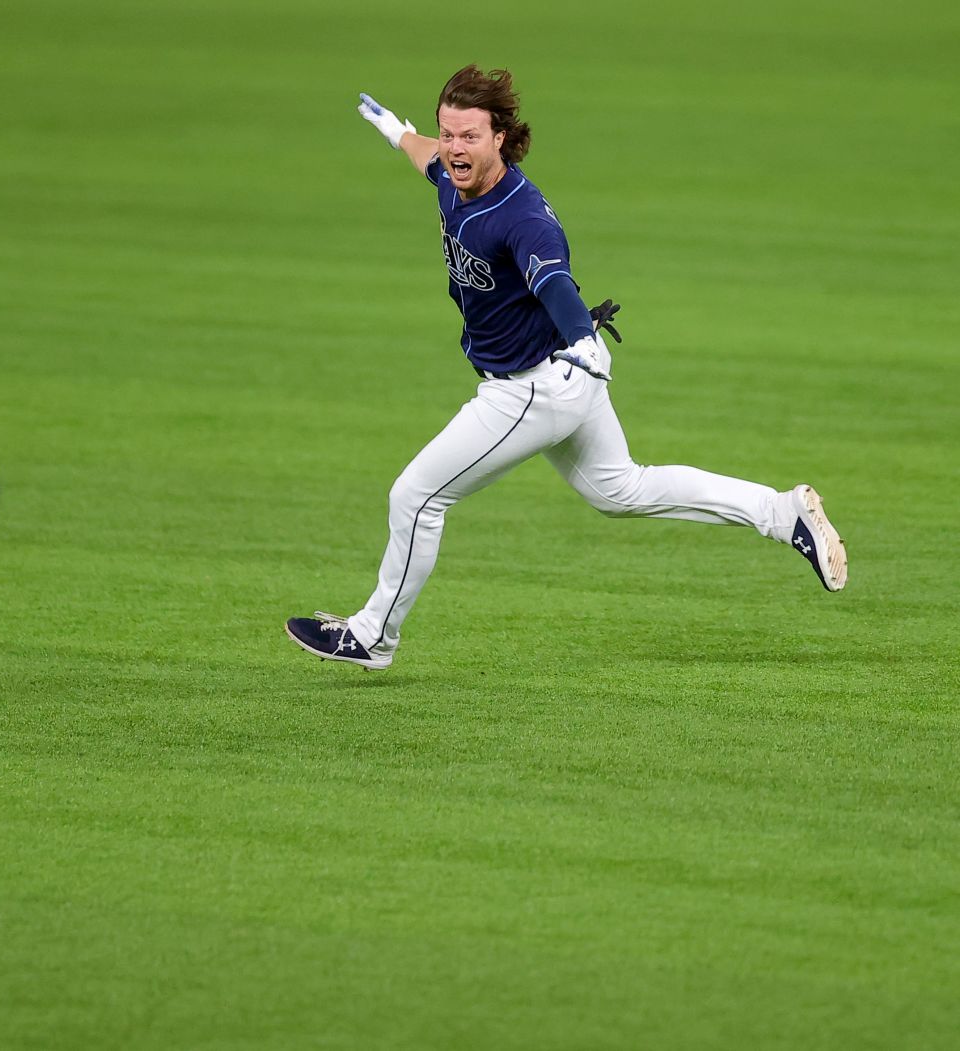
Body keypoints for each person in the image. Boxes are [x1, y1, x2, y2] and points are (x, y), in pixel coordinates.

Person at [285, 66, 847, 670]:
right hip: (564, 377)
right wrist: (396, 129)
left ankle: (373, 636)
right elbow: (423, 154)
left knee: (416, 498)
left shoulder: (521, 216)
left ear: (500, 138)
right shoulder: (452, 175)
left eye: (468, 136)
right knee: (621, 489)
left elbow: (554, 281)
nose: (453, 148)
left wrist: (583, 335)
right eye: (449, 133)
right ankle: (780, 511)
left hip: (536, 385)